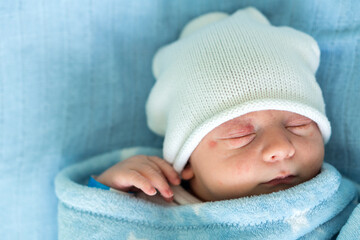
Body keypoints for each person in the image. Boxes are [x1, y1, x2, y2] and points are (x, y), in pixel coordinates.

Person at [89, 7, 332, 205]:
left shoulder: (334, 200)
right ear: (186, 163)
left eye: (299, 125)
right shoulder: (153, 207)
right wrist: (107, 195)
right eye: (242, 134)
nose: (280, 147)